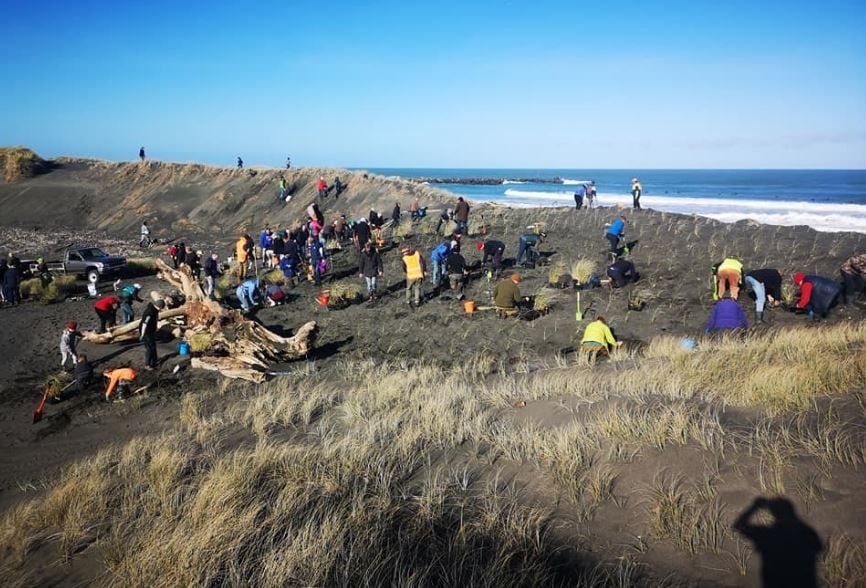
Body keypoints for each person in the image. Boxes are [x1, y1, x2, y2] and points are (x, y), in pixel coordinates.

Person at [734, 497, 822, 588]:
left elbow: (739, 525)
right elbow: (819, 548)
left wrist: (755, 507)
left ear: (774, 514)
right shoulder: (807, 533)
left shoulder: (768, 534)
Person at [139, 299, 164, 370]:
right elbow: (144, 324)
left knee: (153, 346)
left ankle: (154, 361)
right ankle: (147, 364)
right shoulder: (149, 312)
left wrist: (155, 328)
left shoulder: (155, 310)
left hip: (151, 330)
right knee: (149, 348)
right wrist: (142, 335)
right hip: (146, 332)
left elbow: (155, 319)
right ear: (159, 306)